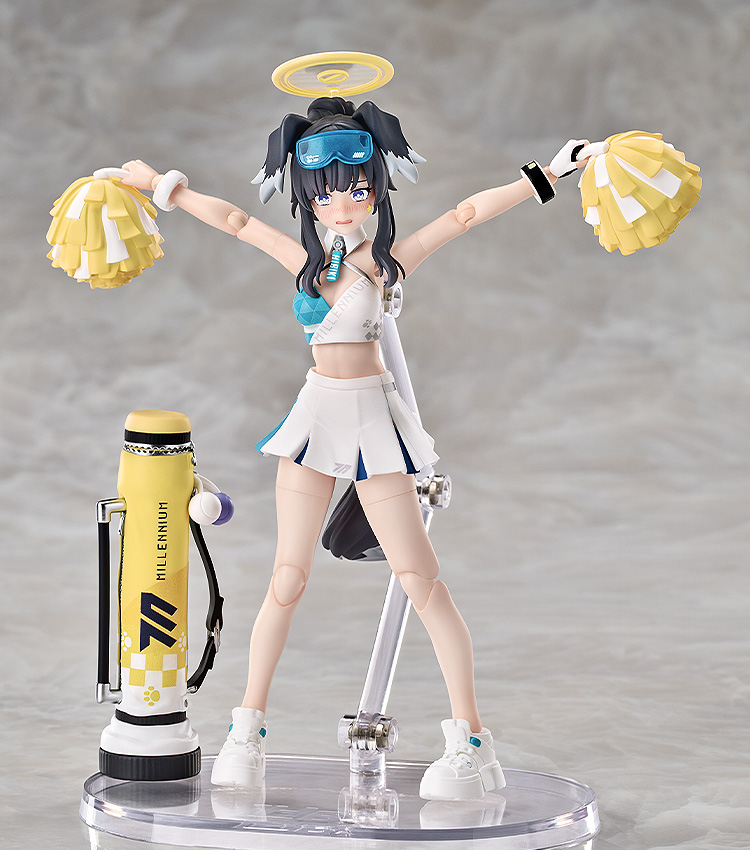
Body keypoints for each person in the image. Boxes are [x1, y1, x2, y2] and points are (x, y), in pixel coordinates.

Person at [121, 95, 589, 801]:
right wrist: (162, 186)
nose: (341, 204)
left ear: (375, 188)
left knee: (421, 580)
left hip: (373, 420)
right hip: (316, 417)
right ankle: (246, 730)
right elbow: (238, 221)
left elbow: (463, 215)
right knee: (286, 577)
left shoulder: (385, 262)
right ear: (307, 197)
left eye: (357, 188)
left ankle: (471, 740)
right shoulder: (305, 263)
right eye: (326, 193)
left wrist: (548, 174)